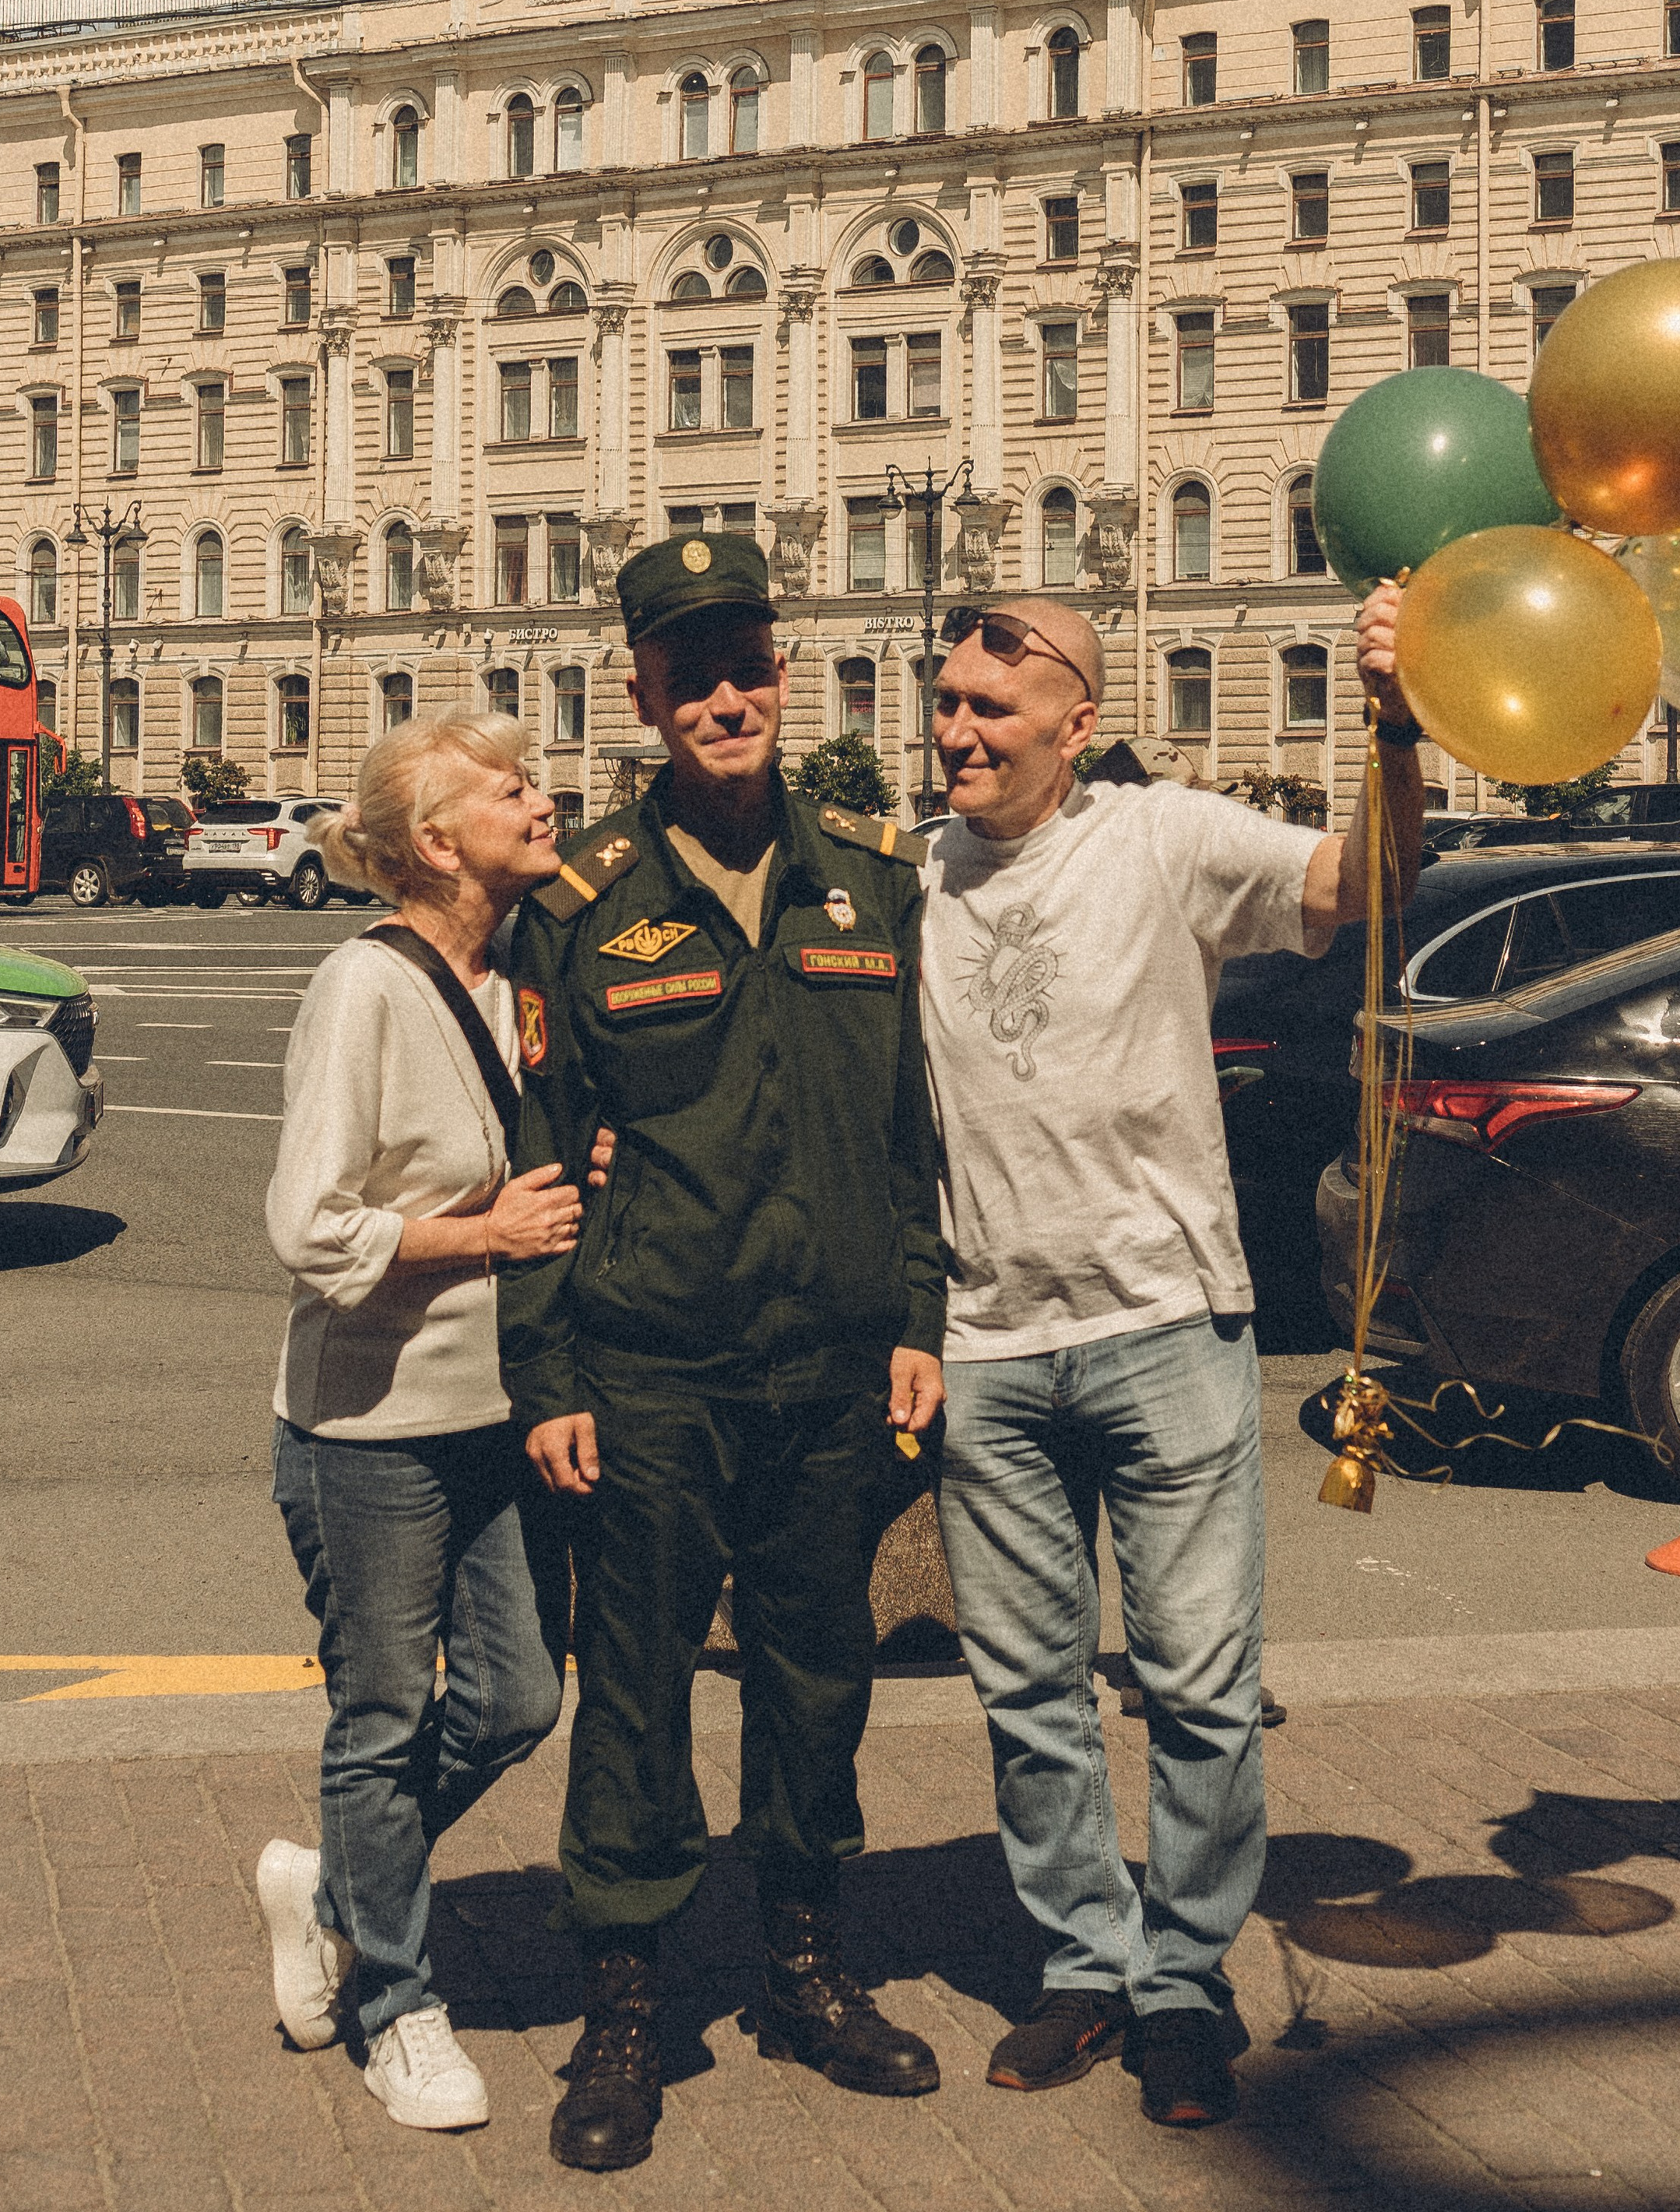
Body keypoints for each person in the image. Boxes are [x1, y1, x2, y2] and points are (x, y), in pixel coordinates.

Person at [922, 586, 1420, 2129]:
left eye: (986, 709)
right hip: (986, 1346)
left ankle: (1181, 1980)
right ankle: (1083, 1959)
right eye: (940, 704)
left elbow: (1368, 883)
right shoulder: (904, 875)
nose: (952, 733)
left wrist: (1393, 718)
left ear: (1073, 720)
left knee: (1200, 1690)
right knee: (1026, 1698)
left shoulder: (1161, 835)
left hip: (1162, 1329)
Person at [501, 530, 948, 2175]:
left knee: (815, 1677)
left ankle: (803, 1968)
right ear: (641, 693)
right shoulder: (585, 902)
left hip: (832, 1363)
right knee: (630, 1691)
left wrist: (920, 1316)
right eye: (688, 671)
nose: (724, 695)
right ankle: (623, 2001)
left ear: (787, 670)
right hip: (652, 1367)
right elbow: (545, 1155)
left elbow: (911, 1136)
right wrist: (545, 1378)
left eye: (745, 663)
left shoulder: (867, 877)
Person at [255, 715, 582, 2133]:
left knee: (517, 1697)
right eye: (509, 789)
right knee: (383, 1717)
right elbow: (309, 1228)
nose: (543, 796)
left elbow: (512, 1163)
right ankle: (394, 2003)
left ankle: (328, 1886)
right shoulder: (362, 986)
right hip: (367, 1427)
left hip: (491, 1412)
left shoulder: (511, 978)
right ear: (437, 841)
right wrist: (485, 1232)